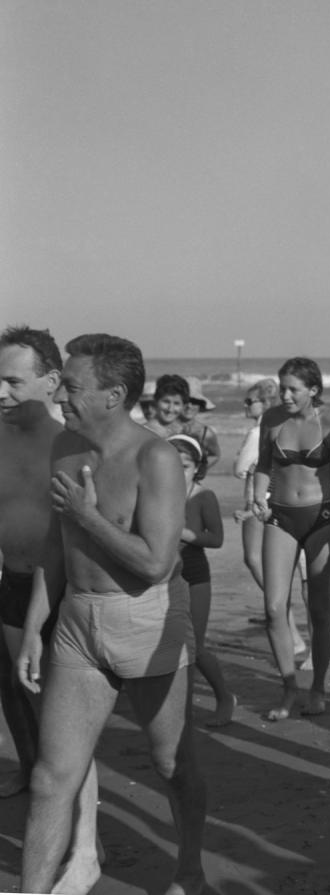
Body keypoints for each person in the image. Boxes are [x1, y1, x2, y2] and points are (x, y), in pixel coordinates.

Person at [17, 333, 206, 895]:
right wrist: (33, 628)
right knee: (52, 779)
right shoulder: (64, 449)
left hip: (147, 622)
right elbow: (56, 545)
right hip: (77, 623)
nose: (60, 400)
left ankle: (190, 869)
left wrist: (87, 514)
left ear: (113, 393)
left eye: (72, 387)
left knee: (171, 763)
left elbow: (155, 562)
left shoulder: (158, 457)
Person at [0, 326, 102, 894]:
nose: (0, 391)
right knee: (43, 721)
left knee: (69, 730)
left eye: (13, 380)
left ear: (51, 381)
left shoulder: (69, 444)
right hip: (12, 587)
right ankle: (76, 837)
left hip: (62, 595)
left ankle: (86, 848)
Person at [253, 357, 330, 720]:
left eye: (294, 389)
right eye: (282, 388)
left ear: (314, 390)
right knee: (274, 608)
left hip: (322, 516)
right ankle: (289, 687)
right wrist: (256, 497)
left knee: (320, 610)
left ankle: (318, 687)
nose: (286, 395)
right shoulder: (272, 419)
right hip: (279, 516)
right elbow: (265, 466)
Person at [232, 379, 309, 656]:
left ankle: (287, 625)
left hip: (258, 500)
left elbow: (240, 468)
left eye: (250, 401)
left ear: (264, 404)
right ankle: (287, 624)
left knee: (257, 562)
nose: (245, 405)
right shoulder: (282, 428)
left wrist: (244, 466)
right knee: (271, 566)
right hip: (272, 500)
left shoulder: (258, 432)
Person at [169, 434, 235, 727]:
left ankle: (224, 697)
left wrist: (181, 532)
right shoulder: (157, 491)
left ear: (197, 467)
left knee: (194, 645)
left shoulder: (202, 496)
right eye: (172, 465)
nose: (177, 471)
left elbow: (217, 539)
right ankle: (177, 707)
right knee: (169, 644)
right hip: (161, 575)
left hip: (195, 574)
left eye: (184, 465)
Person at [180, 376, 221, 470]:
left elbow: (214, 455)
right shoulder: (164, 427)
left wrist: (197, 471)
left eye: (194, 401)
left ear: (200, 405)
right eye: (186, 401)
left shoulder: (205, 433)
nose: (189, 406)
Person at [142, 373, 190, 438]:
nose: (170, 409)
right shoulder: (143, 433)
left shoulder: (184, 432)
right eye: (166, 402)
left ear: (183, 406)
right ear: (156, 402)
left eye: (176, 403)